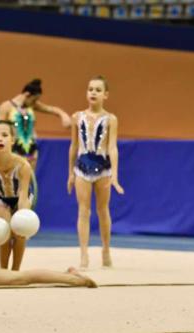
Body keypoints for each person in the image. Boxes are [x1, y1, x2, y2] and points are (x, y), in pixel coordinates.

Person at [67, 76, 124, 269]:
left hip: (103, 168)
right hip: (82, 166)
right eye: (90, 89)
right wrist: (70, 173)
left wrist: (114, 174)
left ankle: (106, 249)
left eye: (98, 90)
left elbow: (112, 147)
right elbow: (74, 146)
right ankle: (83, 252)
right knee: (83, 211)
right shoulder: (77, 117)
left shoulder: (111, 119)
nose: (93, 92)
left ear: (106, 95)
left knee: (102, 210)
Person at [0, 121, 33, 271]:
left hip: (21, 198)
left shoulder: (23, 166)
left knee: (20, 233)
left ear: (12, 140)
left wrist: (22, 219)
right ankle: (3, 270)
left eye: (4, 135)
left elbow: (23, 194)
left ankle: (15, 270)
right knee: (4, 233)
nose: (0, 139)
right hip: (1, 200)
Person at [0, 79, 71, 170]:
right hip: (14, 149)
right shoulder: (6, 106)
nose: (35, 103)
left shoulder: (31, 105)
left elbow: (51, 109)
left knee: (29, 179)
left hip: (31, 149)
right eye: (34, 100)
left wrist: (63, 115)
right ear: (27, 95)